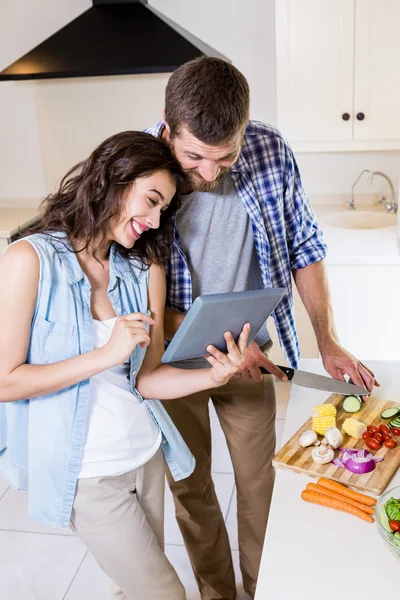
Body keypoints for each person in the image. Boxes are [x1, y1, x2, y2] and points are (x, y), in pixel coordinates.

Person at [145, 57, 379, 600]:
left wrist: (328, 340)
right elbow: (125, 288)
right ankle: (218, 594)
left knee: (259, 485)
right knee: (192, 487)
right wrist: (214, 342)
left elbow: (305, 245)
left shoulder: (270, 150)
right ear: (167, 124)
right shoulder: (138, 164)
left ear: (245, 130)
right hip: (169, 363)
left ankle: (262, 589)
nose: (208, 172)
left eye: (224, 156)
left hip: (253, 355)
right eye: (193, 157)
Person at [0, 131, 251, 600]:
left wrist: (214, 375)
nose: (155, 221)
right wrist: (104, 355)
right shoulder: (29, 260)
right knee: (165, 593)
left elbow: (148, 380)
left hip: (144, 456)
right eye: (151, 201)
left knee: (136, 587)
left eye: (164, 210)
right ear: (112, 181)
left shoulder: (144, 269)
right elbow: (5, 381)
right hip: (88, 474)